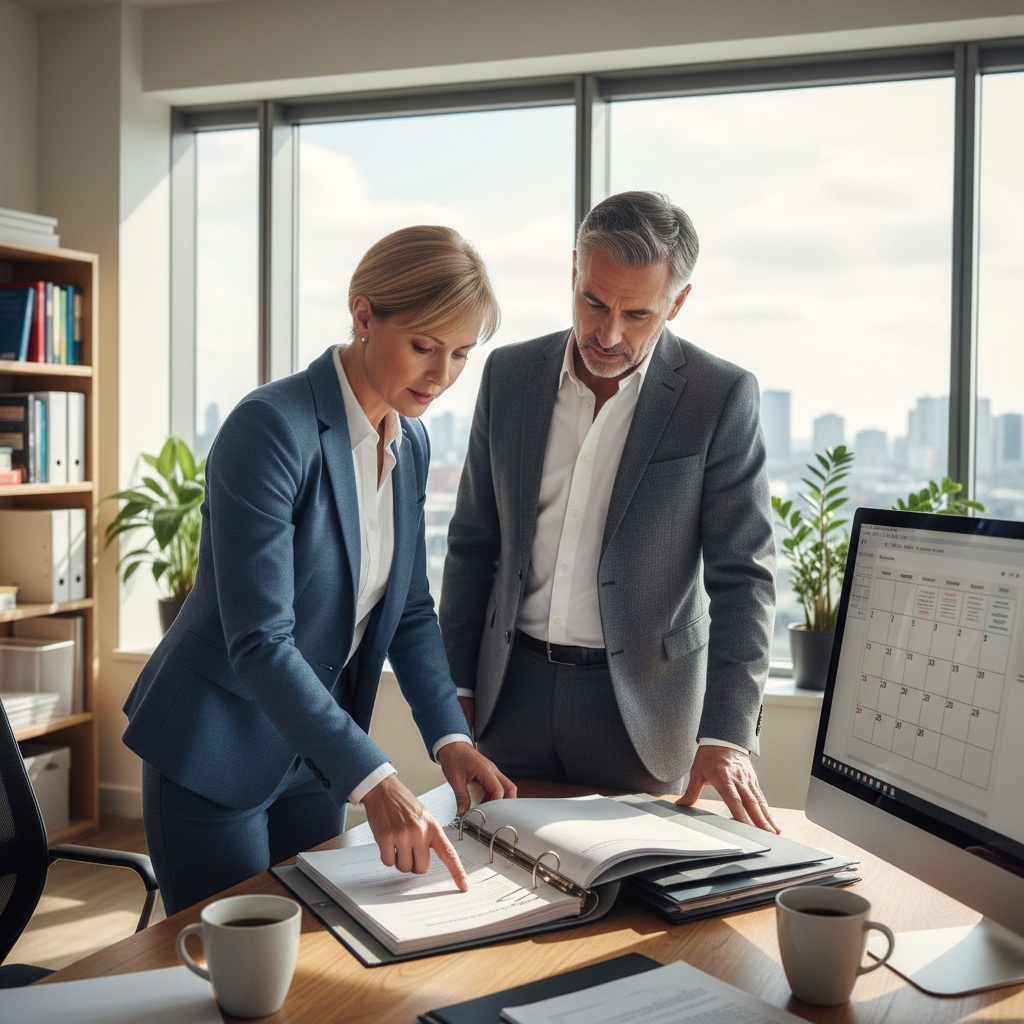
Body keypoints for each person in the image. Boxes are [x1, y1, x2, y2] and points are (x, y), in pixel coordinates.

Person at [123, 225, 516, 915]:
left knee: (321, 954)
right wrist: (376, 779)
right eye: (424, 346)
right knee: (235, 973)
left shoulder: (412, 440)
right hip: (216, 750)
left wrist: (449, 738)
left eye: (460, 354)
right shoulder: (270, 429)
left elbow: (411, 609)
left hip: (311, 758)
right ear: (363, 314)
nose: (442, 375)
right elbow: (260, 641)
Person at [439, 191, 780, 833]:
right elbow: (473, 542)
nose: (609, 333)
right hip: (509, 693)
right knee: (497, 879)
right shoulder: (508, 375)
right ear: (574, 271)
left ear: (676, 304)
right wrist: (453, 687)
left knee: (632, 909)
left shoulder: (720, 396)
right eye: (594, 302)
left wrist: (727, 732)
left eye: (637, 313)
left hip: (640, 710)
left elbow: (745, 576)